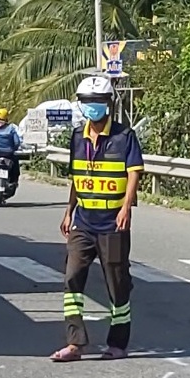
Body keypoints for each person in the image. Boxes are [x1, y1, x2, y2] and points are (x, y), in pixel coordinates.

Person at [52, 75, 144, 363]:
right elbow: (77, 178)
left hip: (112, 224)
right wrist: (69, 211)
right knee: (72, 278)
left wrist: (126, 207)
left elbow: (134, 173)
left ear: (109, 104)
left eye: (98, 102)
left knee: (117, 283)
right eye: (87, 102)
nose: (93, 107)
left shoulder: (124, 137)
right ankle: (75, 342)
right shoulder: (77, 137)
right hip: (84, 222)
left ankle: (117, 344)